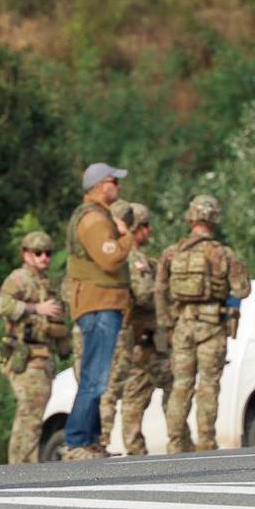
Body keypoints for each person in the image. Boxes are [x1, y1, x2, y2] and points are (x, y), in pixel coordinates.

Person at [157, 194, 249, 453]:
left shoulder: (172, 253)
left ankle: (175, 441)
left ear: (190, 218)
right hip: (212, 326)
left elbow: (159, 289)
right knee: (208, 384)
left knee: (180, 384)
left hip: (182, 326)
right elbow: (242, 289)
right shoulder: (222, 253)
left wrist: (167, 322)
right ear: (214, 219)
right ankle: (206, 442)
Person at [63, 163, 134, 459]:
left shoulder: (96, 216)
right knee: (95, 376)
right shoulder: (93, 220)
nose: (117, 187)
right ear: (99, 185)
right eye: (113, 181)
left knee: (97, 375)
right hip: (99, 304)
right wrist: (126, 236)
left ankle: (90, 440)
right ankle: (78, 441)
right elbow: (109, 258)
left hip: (102, 303)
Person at [0, 230, 70, 463]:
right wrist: (36, 309)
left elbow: (56, 320)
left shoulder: (47, 284)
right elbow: (1, 305)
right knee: (30, 410)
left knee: (36, 411)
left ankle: (26, 462)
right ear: (26, 254)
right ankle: (21, 464)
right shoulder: (19, 278)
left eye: (48, 253)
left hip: (44, 354)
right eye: (38, 253)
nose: (44, 258)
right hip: (24, 355)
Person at [116, 203, 171, 456]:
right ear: (135, 228)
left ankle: (172, 440)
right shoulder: (132, 260)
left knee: (165, 383)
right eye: (146, 226)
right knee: (137, 390)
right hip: (139, 336)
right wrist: (167, 291)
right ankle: (135, 446)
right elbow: (144, 294)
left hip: (152, 337)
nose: (150, 231)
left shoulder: (146, 260)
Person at [95, 199, 135, 451]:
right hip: (110, 325)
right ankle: (99, 440)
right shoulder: (114, 255)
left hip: (109, 324)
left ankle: (99, 440)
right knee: (107, 386)